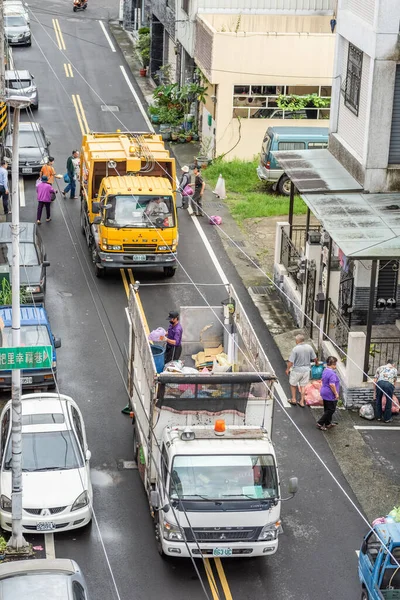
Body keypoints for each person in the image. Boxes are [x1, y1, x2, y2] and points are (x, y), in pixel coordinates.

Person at [286, 333, 318, 406]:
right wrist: (316, 363)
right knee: (303, 386)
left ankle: (293, 399)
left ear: (297, 341)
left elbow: (291, 361)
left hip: (297, 370)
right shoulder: (309, 347)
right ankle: (302, 402)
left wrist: (287, 369)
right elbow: (315, 358)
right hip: (306, 370)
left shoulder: (295, 349)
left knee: (293, 384)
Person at [316, 356, 340, 431]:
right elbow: (332, 384)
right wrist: (336, 393)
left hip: (324, 391)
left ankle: (328, 423)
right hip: (330, 394)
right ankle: (320, 422)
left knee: (327, 408)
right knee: (331, 409)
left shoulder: (325, 370)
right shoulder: (332, 374)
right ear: (333, 364)